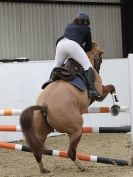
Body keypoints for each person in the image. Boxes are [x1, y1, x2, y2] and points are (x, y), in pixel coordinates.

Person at [54, 12, 100, 98]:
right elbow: (89, 46)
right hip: (72, 45)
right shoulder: (87, 28)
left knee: (56, 66)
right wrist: (82, 48)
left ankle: (50, 82)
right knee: (88, 66)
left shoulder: (69, 25)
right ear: (86, 22)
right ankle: (91, 90)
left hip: (60, 44)